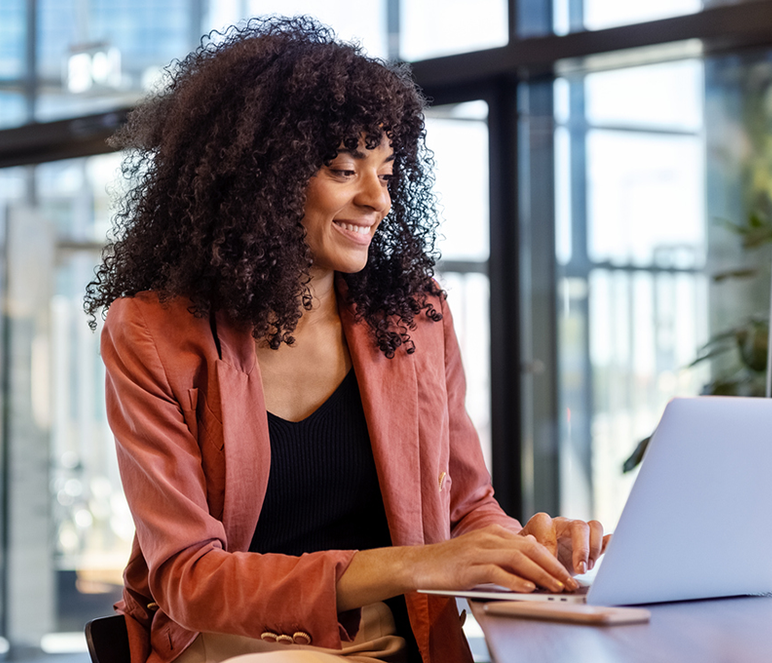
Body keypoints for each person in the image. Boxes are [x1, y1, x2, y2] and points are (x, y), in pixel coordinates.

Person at [85, 16, 608, 663]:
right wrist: (412, 564)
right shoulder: (152, 332)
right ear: (259, 179)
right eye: (343, 169)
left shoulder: (416, 317)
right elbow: (188, 575)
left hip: (397, 642)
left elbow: (467, 506)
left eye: (387, 173)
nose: (377, 199)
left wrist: (525, 548)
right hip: (237, 647)